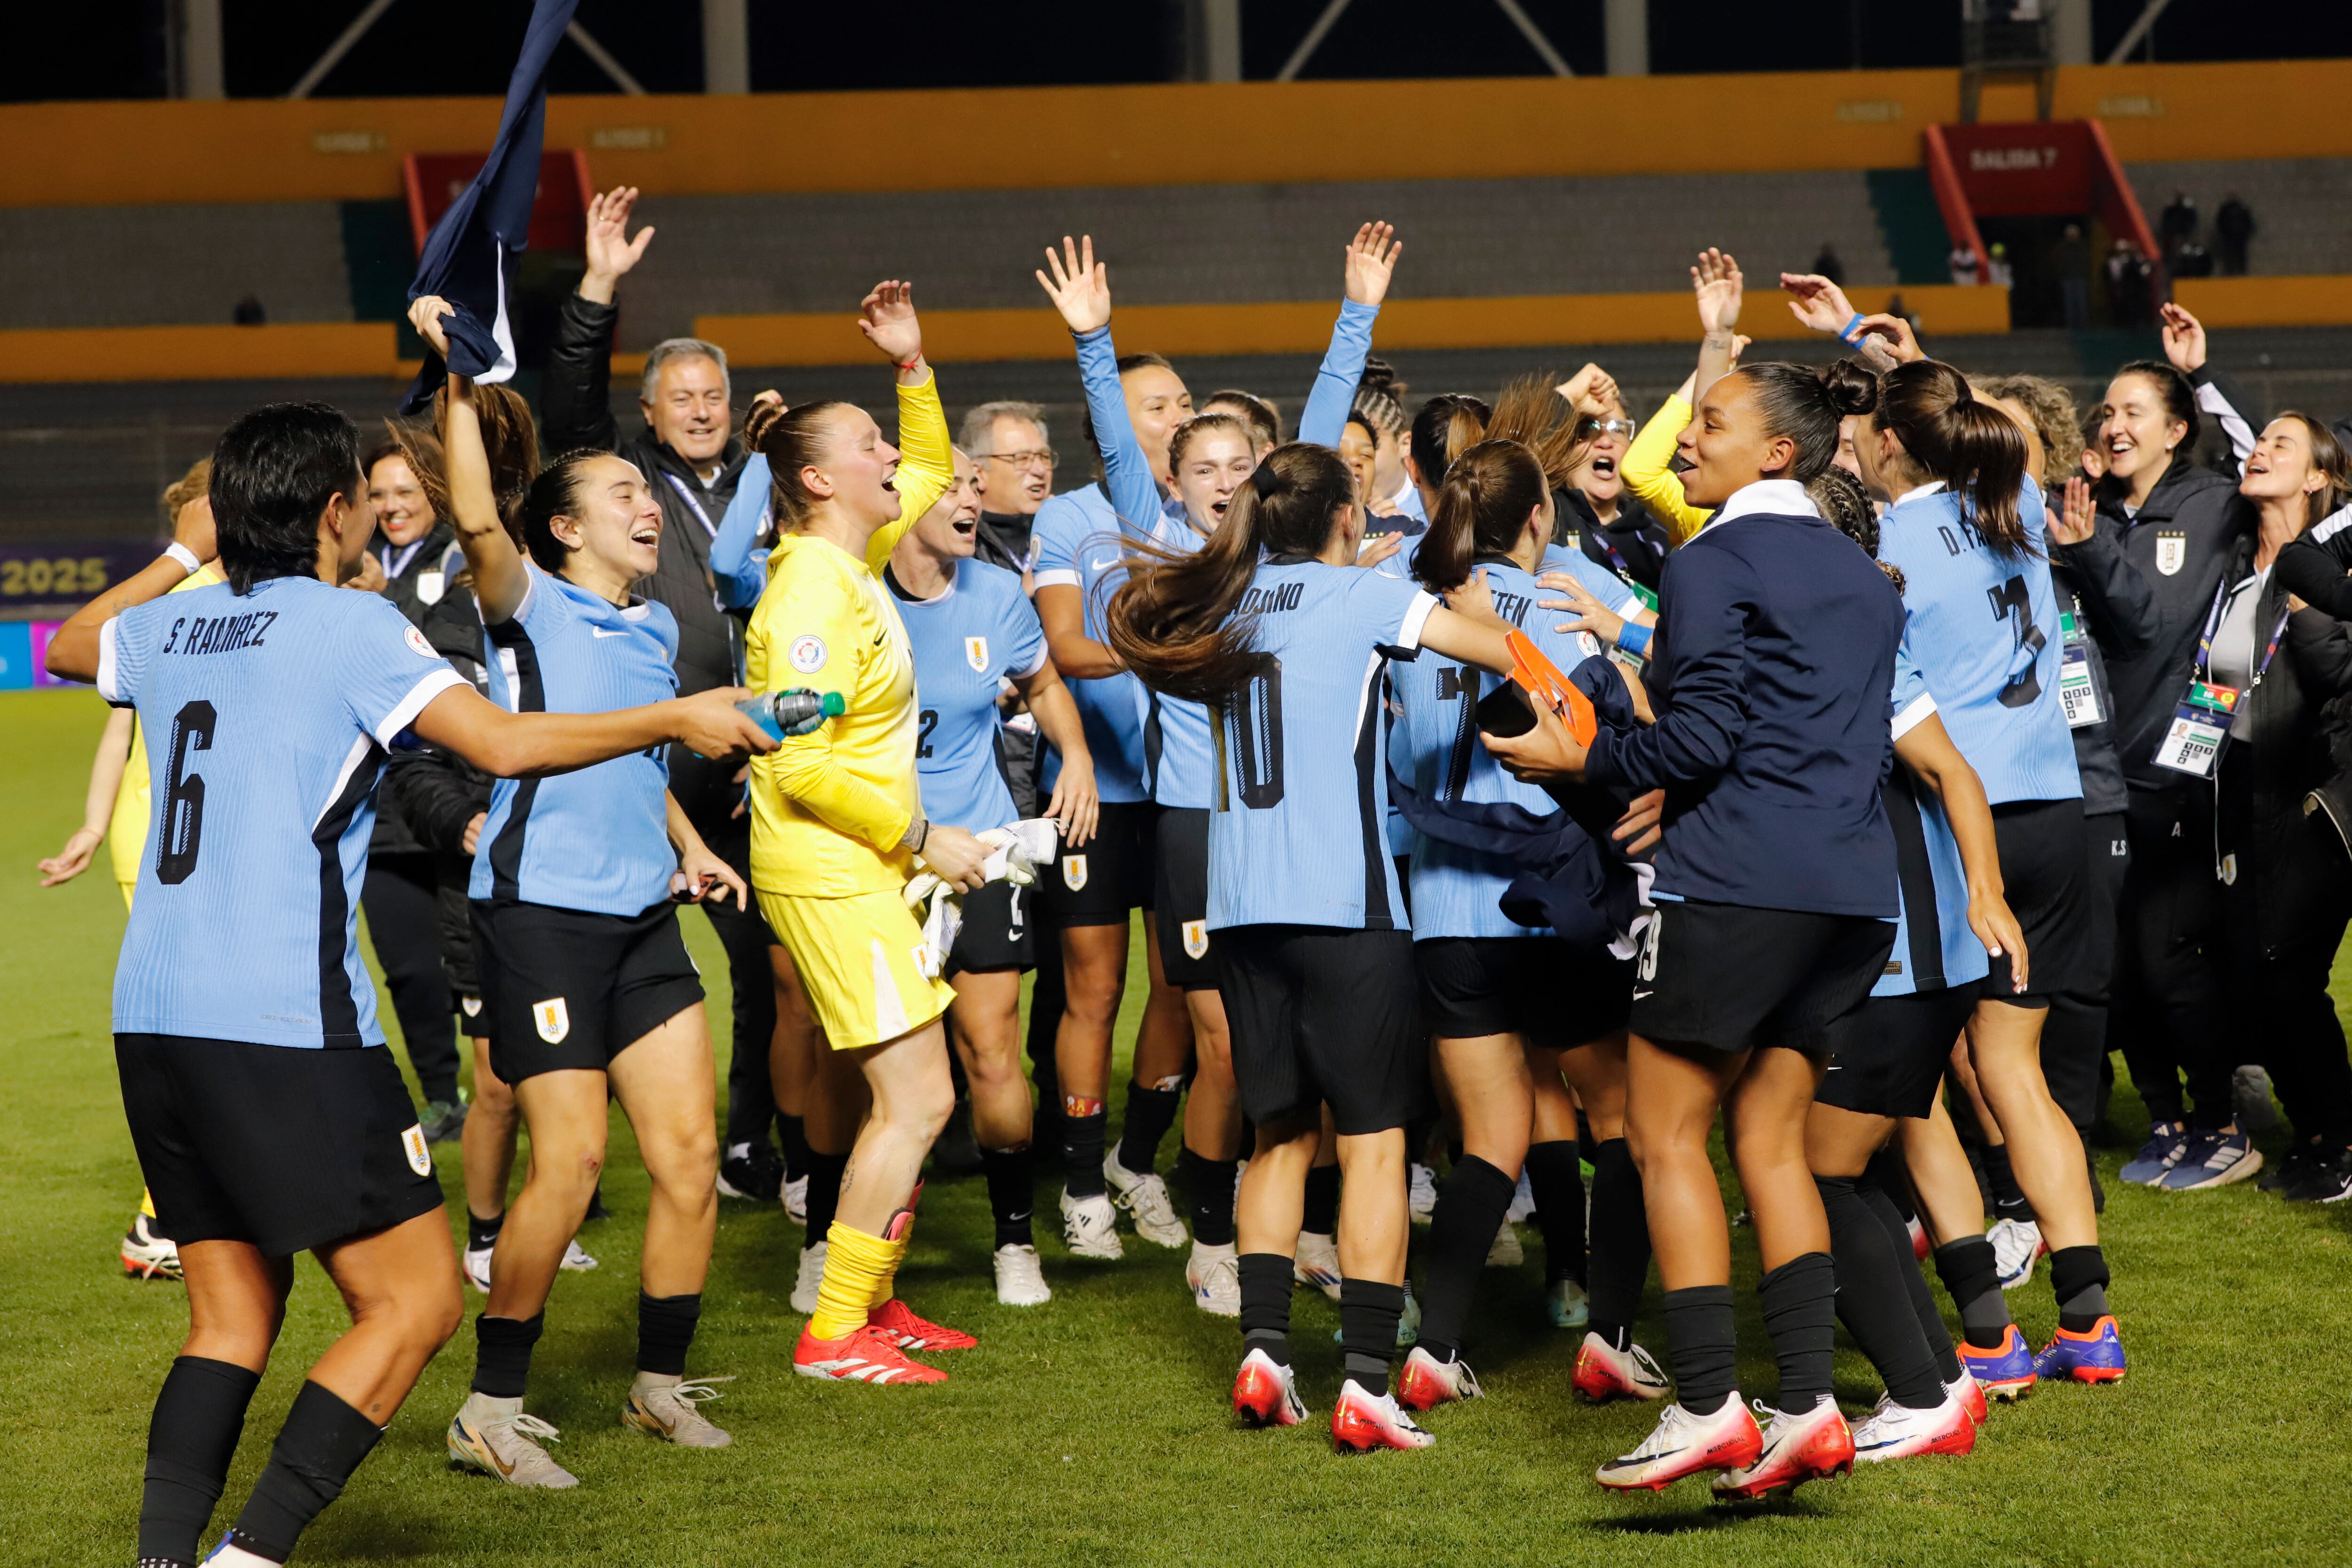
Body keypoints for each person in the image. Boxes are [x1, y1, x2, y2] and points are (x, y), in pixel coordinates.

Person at [45, 398, 769, 1565]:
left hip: (154, 1019)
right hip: (287, 1026)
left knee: (231, 1321)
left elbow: (72, 647)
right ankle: (250, 1554)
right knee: (421, 1301)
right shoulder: (350, 627)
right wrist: (680, 714)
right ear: (336, 512)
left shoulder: (173, 629)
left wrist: (192, 551)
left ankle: (165, 1560)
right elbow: (506, 745)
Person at [1483, 359, 1901, 1498]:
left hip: (1736, 889)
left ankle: (1710, 1403)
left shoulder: (1713, 558)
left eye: (1709, 424)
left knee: (1665, 1137)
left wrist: (1588, 758)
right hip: (1854, 897)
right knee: (1769, 1143)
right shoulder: (1863, 574)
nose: (1682, 444)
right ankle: (1808, 1406)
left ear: (1777, 452)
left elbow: (1701, 737)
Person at [1106, 438, 1520, 1453]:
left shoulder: (1226, 603)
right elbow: (1497, 651)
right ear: (1344, 515)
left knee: (1278, 1134)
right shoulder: (1365, 600)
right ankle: (1369, 1381)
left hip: (1244, 908)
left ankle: (1263, 1353)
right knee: (1374, 1139)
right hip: (1347, 902)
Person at [408, 295, 753, 1485]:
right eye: (623, 496)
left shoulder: (653, 624)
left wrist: (684, 843)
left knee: (690, 1154)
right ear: (561, 528)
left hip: (642, 913)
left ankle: (656, 1388)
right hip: (540, 914)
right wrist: (456, 381)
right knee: (571, 1165)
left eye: (646, 496)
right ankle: (489, 1409)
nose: (646, 505)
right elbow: (468, 511)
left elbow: (636, 751)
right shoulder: (527, 601)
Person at [1036, 223, 1405, 1310]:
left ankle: (1308, 1229)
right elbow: (1114, 445)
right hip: (1202, 824)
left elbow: (1322, 437)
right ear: (1171, 484)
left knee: (1312, 1047)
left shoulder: (1286, 563)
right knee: (1223, 1043)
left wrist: (1356, 317)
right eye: (1198, 466)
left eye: (1237, 468)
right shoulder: (1170, 556)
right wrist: (1095, 344)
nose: (1219, 481)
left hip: (1309, 833)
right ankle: (1213, 1238)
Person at [1848, 356, 2127, 1392]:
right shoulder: (2007, 512)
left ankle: (1985, 1332)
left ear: (1887, 442)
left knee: (1916, 1081)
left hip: (1955, 821)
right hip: (2054, 805)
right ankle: (2089, 1321)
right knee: (2014, 1070)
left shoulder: (1888, 536)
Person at [747, 280, 996, 1386]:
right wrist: (923, 833)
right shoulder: (808, 596)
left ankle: (870, 1306)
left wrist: (913, 370)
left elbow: (930, 471)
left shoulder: (846, 560)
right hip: (832, 867)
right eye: (868, 444)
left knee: (917, 1095)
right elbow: (797, 762)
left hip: (859, 864)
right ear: (817, 480)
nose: (891, 456)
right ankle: (835, 1331)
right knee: (922, 1097)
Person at [1381, 438, 1653, 1413]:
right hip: (1554, 902)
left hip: (1447, 910)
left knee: (1489, 1135)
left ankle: (1436, 1344)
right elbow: (1617, 750)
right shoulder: (1563, 617)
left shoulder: (1410, 618)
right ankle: (1611, 1336)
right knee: (1621, 1119)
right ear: (1541, 519)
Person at [539, 185, 788, 1207]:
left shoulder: (766, 478)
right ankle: (575, 1153)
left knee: (771, 965)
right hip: (649, 755)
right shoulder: (627, 480)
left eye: (711, 396)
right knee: (613, 956)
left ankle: (748, 1141)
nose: (698, 408)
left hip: (753, 759)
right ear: (646, 416)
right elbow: (570, 407)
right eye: (679, 396)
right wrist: (596, 290)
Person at [1797, 462, 2018, 1461]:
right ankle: (1941, 1378)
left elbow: (1954, 774)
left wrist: (1984, 892)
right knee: (1853, 1173)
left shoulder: (1857, 649)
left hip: (1896, 964)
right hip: (1895, 960)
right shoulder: (1840, 637)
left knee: (1807, 1177)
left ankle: (1923, 1392)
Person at [885, 443, 1101, 1303]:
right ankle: (844, 1240)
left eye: (979, 484)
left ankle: (1015, 1242)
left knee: (991, 1047)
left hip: (979, 851)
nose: (973, 497)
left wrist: (1076, 754)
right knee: (880, 1067)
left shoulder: (995, 595)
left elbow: (1044, 684)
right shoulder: (855, 596)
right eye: (956, 485)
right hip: (879, 856)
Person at [34, 459, 223, 1282]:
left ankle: (198, 1197)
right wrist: (95, 822)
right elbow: (121, 724)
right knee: (196, 1024)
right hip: (162, 835)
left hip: (213, 832)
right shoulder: (171, 602)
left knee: (212, 1019)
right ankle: (159, 1215)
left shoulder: (257, 592)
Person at [2090, 316, 2264, 1191]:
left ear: (2174, 426)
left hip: (2180, 772)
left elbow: (2270, 452)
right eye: (2106, 413)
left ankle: (2221, 1120)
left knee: (2166, 956)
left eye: (2132, 411)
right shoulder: (2088, 507)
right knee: (2119, 964)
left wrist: (2203, 375)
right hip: (2097, 771)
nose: (2113, 425)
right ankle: (2164, 1117)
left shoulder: (2210, 502)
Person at [2208, 415, 2352, 1200]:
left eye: (2281, 445)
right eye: (2257, 438)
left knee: (2293, 976)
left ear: (2318, 480)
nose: (2259, 450)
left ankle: (2340, 1134)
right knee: (2262, 976)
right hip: (2241, 799)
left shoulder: (2327, 573)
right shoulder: (2234, 570)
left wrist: (2305, 600)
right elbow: (2216, 687)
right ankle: (2317, 1129)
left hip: (2311, 799)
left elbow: (2337, 678)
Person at [358, 434, 477, 1144]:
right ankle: (442, 1095)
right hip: (376, 808)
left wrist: (380, 603)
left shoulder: (464, 559)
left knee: (480, 962)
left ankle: (514, 1081)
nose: (393, 505)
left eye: (406, 491)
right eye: (379, 493)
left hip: (453, 795)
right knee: (408, 970)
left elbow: (441, 660)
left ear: (435, 491)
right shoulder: (343, 568)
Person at [2054, 223, 2092, 331]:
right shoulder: (2062, 247)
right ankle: (2070, 327)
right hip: (2067, 278)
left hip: (2081, 278)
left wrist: (2085, 275)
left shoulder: (2083, 246)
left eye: (2074, 234)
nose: (2073, 236)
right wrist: (2062, 274)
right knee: (2069, 304)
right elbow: (2057, 262)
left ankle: (2083, 327)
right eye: (2071, 234)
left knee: (2081, 304)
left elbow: (2086, 262)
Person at [2217, 193, 2256, 276]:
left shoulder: (2243, 209)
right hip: (2228, 237)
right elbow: (2221, 222)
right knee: (2229, 254)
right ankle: (2229, 271)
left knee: (2241, 254)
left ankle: (2242, 271)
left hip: (2241, 237)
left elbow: (2249, 223)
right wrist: (2224, 234)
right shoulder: (2225, 210)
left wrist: (2245, 234)